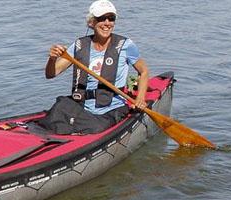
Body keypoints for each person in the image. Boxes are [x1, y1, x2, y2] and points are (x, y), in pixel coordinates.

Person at [38, 0, 149, 135]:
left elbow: (143, 71)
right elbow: (51, 74)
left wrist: (140, 98)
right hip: (81, 106)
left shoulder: (125, 45)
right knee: (56, 111)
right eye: (102, 18)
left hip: (111, 109)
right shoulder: (79, 45)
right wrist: (52, 58)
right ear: (91, 22)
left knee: (95, 128)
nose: (107, 23)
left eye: (111, 19)